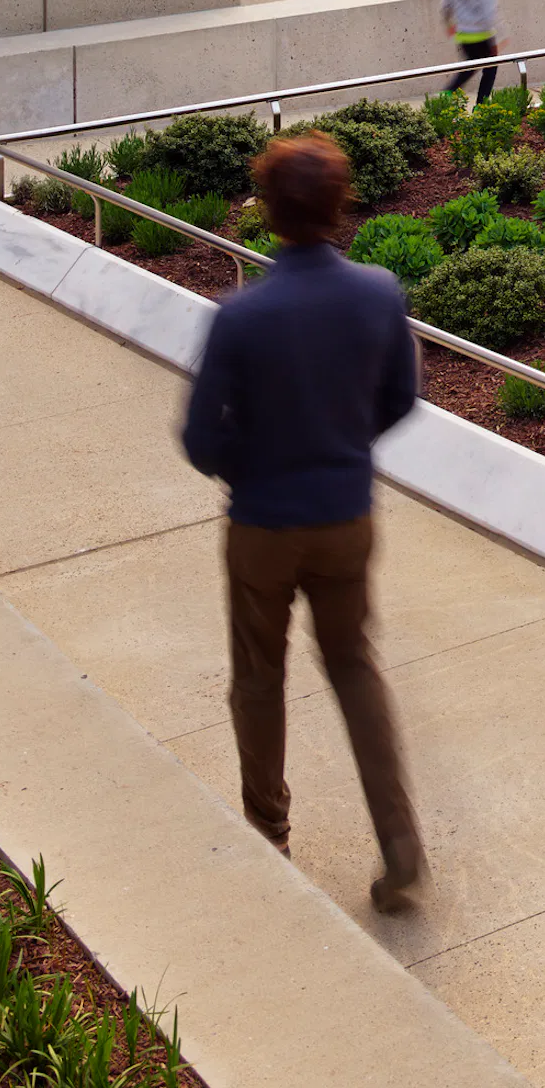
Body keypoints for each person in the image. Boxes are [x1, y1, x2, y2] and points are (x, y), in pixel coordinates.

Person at [180, 134, 427, 915]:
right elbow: (400, 398)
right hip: (348, 515)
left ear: (267, 212)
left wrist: (247, 467)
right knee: (356, 668)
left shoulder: (241, 316)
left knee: (259, 677)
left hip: (261, 524)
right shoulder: (378, 292)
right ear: (338, 206)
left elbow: (198, 438)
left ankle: (269, 831)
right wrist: (345, 449)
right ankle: (400, 846)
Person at [441, 0, 502, 101]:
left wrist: (449, 23)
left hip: (462, 33)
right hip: (482, 35)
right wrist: (496, 41)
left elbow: (446, 4)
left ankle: (447, 94)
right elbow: (489, 16)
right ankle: (481, 105)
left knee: (471, 65)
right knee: (490, 68)